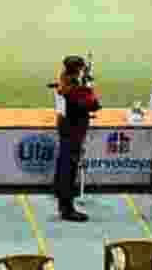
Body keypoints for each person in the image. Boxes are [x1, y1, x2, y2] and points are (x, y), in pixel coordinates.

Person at [53, 55, 101, 222]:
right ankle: (67, 208)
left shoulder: (64, 79)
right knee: (69, 169)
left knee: (64, 164)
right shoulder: (74, 87)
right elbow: (94, 104)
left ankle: (61, 199)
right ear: (78, 69)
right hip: (74, 130)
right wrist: (88, 86)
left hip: (65, 127)